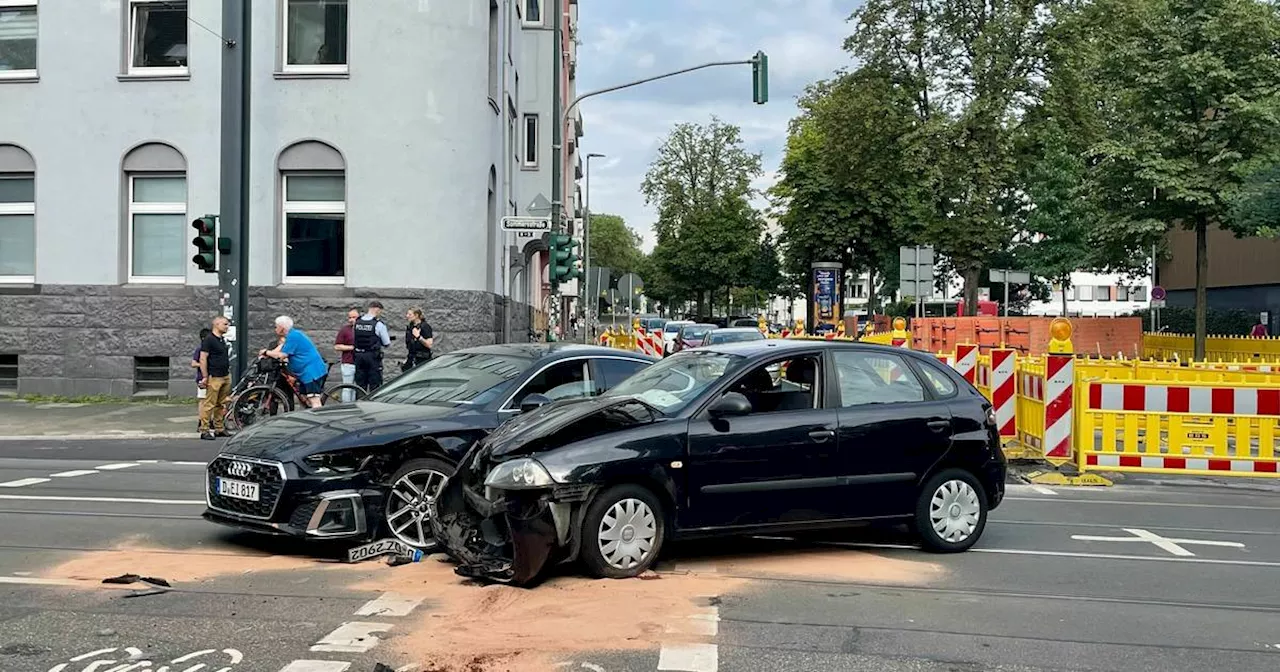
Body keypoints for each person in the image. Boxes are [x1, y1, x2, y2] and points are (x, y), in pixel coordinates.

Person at [261, 315, 328, 409]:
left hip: (311, 372)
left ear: (282, 327)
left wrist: (266, 352)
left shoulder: (293, 336)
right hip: (305, 373)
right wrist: (269, 354)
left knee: (314, 400)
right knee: (304, 399)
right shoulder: (292, 335)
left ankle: (320, 420)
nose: (275, 329)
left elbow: (282, 355)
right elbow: (280, 351)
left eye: (276, 326)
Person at [198, 317, 232, 440]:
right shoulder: (209, 340)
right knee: (209, 404)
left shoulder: (221, 339)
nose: (227, 326)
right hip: (215, 376)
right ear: (216, 324)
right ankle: (204, 430)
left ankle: (219, 428)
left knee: (221, 403)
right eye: (225, 324)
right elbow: (203, 358)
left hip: (225, 375)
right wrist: (205, 376)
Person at [353, 300, 392, 391]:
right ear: (377, 310)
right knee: (375, 385)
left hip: (358, 356)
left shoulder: (357, 322)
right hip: (372, 357)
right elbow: (386, 343)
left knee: (360, 385)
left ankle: (359, 403)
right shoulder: (378, 324)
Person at [334, 307, 359, 401]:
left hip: (360, 363)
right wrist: (351, 348)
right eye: (350, 317)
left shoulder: (362, 330)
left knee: (356, 389)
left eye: (354, 317)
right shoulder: (345, 330)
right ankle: (346, 406)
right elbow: (337, 346)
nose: (351, 320)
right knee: (347, 388)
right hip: (348, 363)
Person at [403, 307, 434, 371]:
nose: (407, 316)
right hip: (412, 358)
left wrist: (419, 337)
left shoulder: (425, 326)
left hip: (422, 359)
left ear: (416, 315)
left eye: (410, 314)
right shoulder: (410, 327)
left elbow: (429, 344)